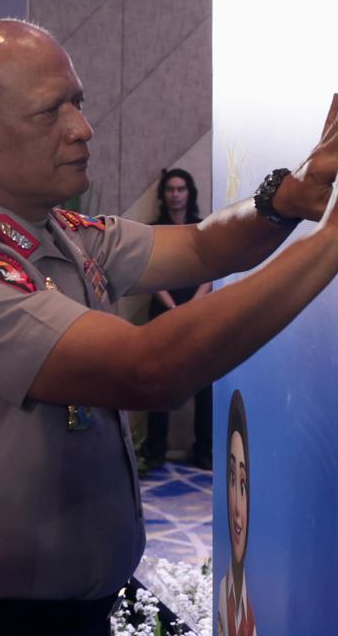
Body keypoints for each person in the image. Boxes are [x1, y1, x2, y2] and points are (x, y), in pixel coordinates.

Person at [0, 19, 338, 636]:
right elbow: (147, 369)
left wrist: (285, 199)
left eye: (78, 103)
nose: (82, 128)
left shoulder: (54, 231)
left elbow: (201, 246)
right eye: (49, 112)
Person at [141, 168, 213, 470]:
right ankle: (155, 450)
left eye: (181, 189)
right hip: (163, 310)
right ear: (164, 194)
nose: (175, 194)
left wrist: (192, 306)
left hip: (198, 311)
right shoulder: (152, 230)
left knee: (205, 382)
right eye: (170, 189)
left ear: (189, 193)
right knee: (159, 378)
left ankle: (205, 450)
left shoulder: (204, 227)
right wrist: (172, 307)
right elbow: (147, 272)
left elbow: (214, 268)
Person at [216, 390, 255, 636]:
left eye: (242, 484)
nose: (238, 508)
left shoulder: (249, 614)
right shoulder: (224, 592)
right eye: (231, 478)